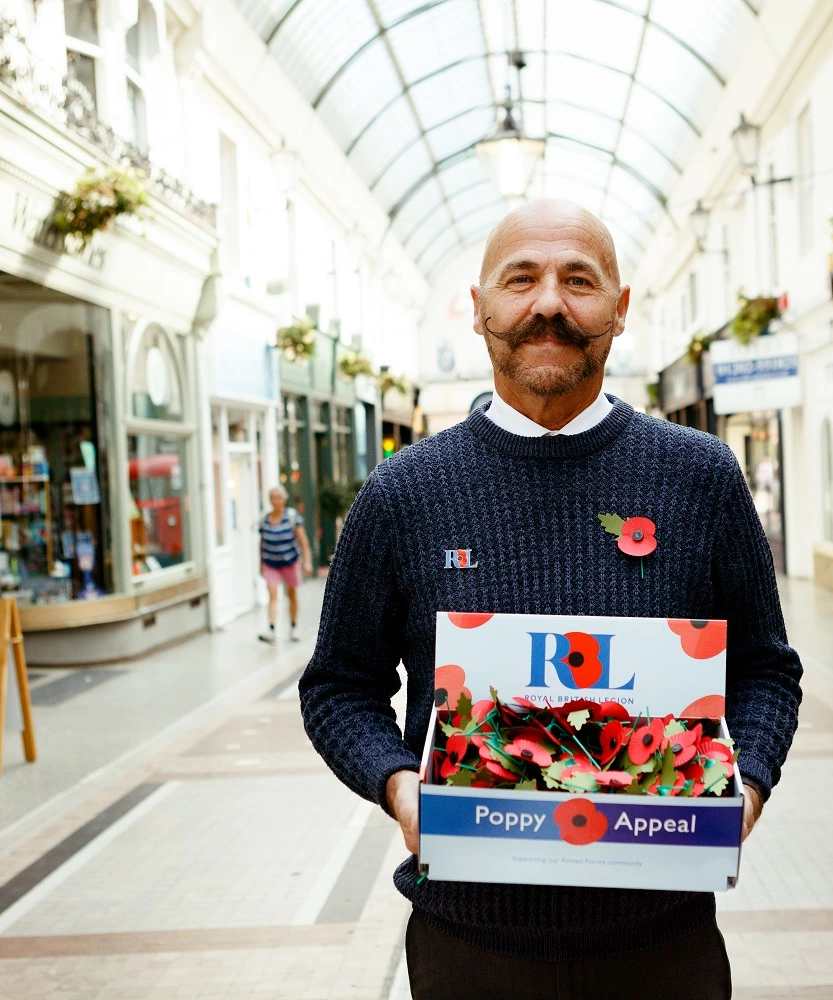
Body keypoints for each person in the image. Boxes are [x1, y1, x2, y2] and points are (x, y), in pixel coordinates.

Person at [299, 199, 802, 998]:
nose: (549, 304)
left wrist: (747, 787)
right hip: (469, 949)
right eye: (520, 279)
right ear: (478, 308)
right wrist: (399, 786)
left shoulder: (700, 478)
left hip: (664, 945)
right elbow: (338, 686)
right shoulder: (404, 492)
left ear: (620, 308)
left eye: (579, 280)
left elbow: (766, 670)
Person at [258, 485, 311, 643]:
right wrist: (260, 563)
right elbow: (261, 544)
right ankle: (271, 629)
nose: (276, 501)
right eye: (273, 498)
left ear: (284, 500)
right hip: (270, 563)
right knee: (272, 594)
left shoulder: (292, 517)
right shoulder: (265, 520)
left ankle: (294, 627)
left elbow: (303, 540)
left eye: (279, 498)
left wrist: (307, 561)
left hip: (290, 562)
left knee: (291, 594)